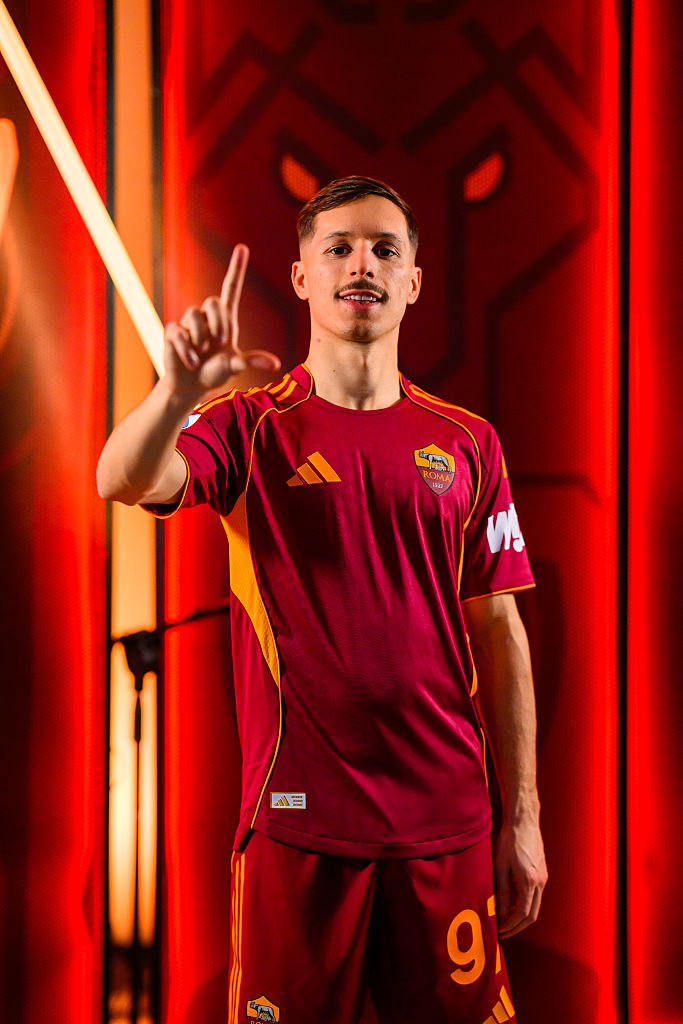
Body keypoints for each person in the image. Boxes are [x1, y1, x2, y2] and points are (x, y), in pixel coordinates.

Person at [97, 175, 547, 1024]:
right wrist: (176, 394)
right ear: (302, 277)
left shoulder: (468, 443)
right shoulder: (248, 425)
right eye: (338, 247)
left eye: (383, 249)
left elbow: (500, 631)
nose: (361, 265)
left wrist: (519, 815)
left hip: (446, 824)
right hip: (298, 823)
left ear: (413, 280)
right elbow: (121, 478)